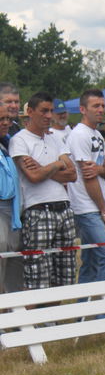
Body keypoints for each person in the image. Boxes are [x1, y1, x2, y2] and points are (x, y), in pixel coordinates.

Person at [9, 92, 77, 290]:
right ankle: (39, 320)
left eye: (51, 111)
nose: (49, 115)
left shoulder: (55, 139)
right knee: (38, 274)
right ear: (30, 112)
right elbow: (34, 177)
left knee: (65, 272)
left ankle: (53, 319)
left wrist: (43, 167)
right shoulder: (20, 140)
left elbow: (72, 174)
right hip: (38, 210)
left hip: (64, 207)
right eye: (44, 111)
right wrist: (57, 164)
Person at [66, 89, 105, 284]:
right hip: (86, 206)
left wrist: (100, 170)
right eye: (96, 106)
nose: (101, 110)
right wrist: (104, 211)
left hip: (96, 205)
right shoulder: (79, 135)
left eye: (103, 106)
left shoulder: (97, 134)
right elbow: (89, 177)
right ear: (82, 109)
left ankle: (81, 311)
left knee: (91, 261)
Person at [0, 101, 23, 293]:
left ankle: (13, 313)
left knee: (14, 259)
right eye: (1, 119)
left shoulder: (8, 144)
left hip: (12, 211)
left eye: (8, 118)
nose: (6, 122)